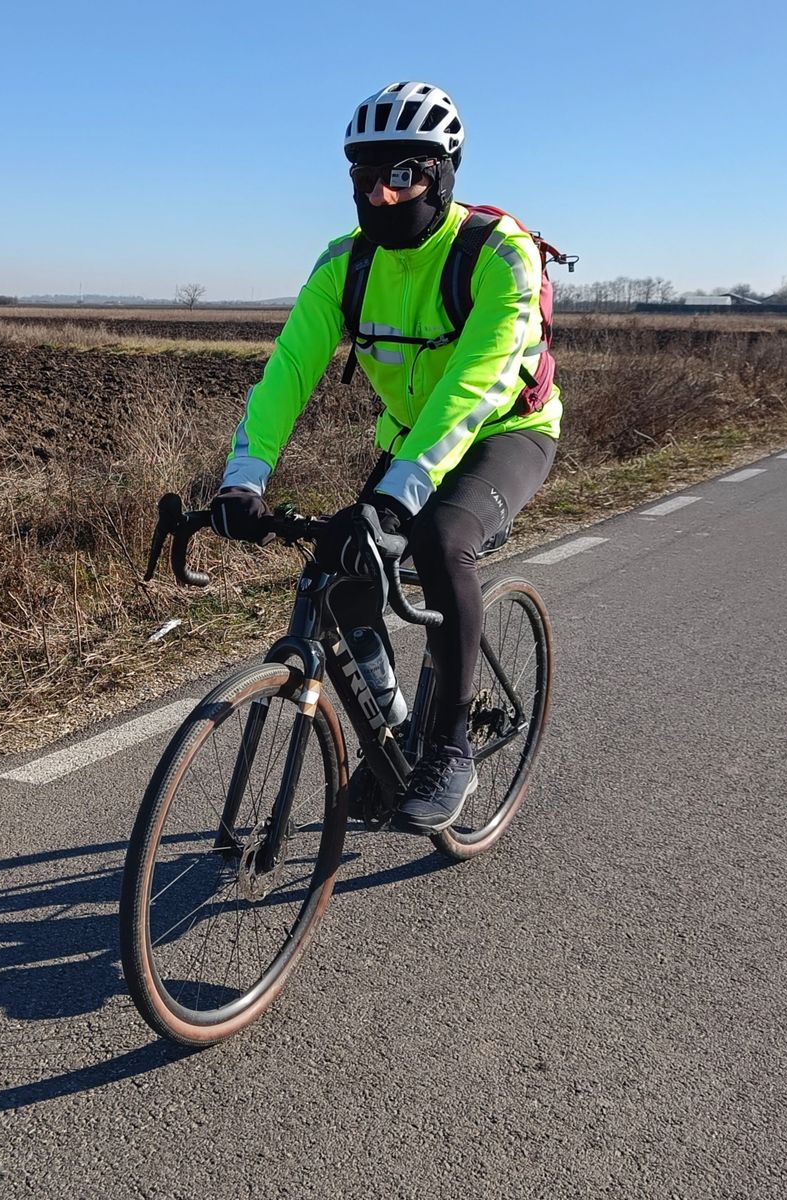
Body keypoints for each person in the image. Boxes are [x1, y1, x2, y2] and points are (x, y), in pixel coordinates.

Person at [208, 81, 560, 834]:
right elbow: (288, 372)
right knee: (340, 570)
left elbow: (475, 385)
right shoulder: (346, 265)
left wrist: (399, 497)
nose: (382, 194)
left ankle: (452, 746)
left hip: (506, 430)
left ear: (444, 173)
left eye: (404, 174)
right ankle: (394, 732)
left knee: (439, 539)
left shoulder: (498, 255)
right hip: (409, 441)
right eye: (365, 176)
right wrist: (244, 477)